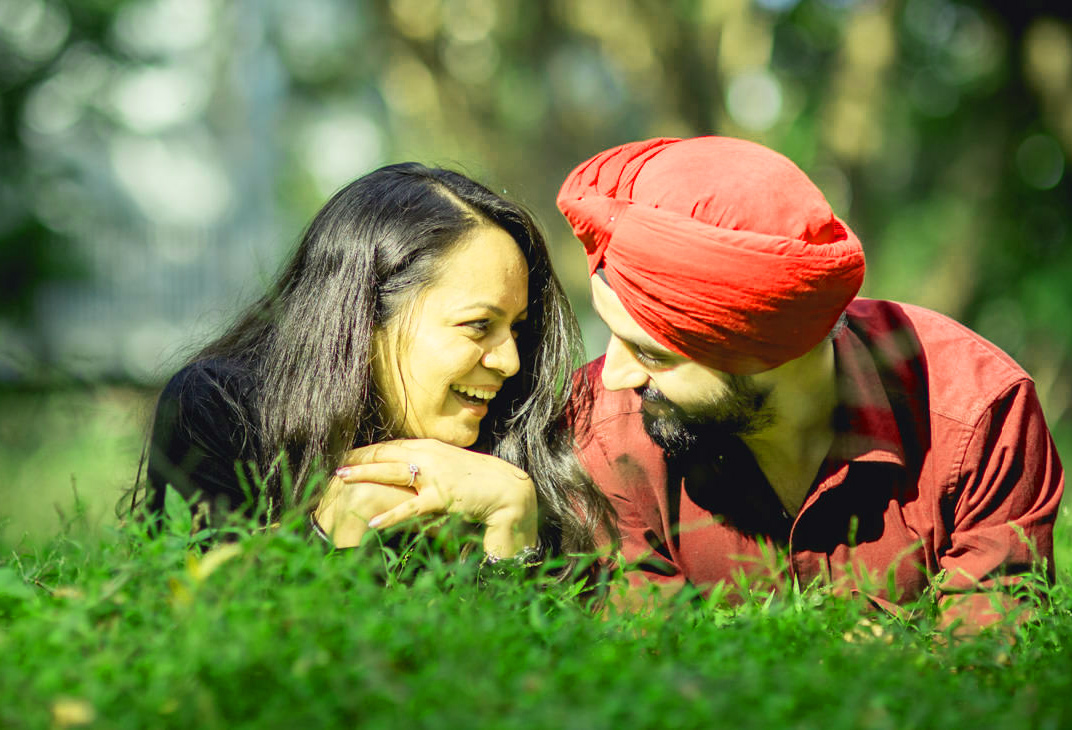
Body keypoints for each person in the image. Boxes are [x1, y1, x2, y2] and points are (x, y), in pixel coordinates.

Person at [557, 136, 1064, 628]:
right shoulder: (600, 432)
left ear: (763, 351)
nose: (617, 374)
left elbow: (986, 672)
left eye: (652, 353)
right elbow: (645, 679)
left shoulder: (978, 418)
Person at [140, 162, 609, 566]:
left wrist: (512, 531)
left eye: (518, 329)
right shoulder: (221, 410)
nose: (510, 362)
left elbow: (520, 661)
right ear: (366, 318)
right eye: (478, 325)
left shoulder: (531, 444)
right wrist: (330, 532)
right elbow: (204, 622)